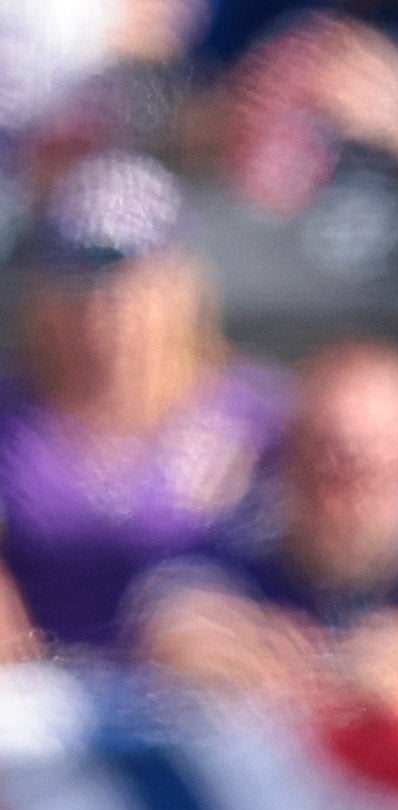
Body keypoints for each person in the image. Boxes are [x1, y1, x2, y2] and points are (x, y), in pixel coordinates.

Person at [127, 337, 398, 717]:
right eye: (320, 447)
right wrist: (229, 651)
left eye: (366, 457)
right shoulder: (251, 519)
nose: (337, 475)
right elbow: (174, 612)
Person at [0, 155, 274, 659]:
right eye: (78, 282)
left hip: (209, 683)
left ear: (182, 283)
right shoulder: (13, 421)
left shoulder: (258, 418)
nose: (104, 306)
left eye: (131, 280)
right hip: (39, 680)